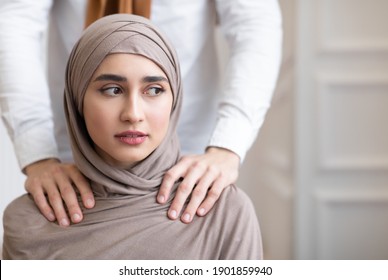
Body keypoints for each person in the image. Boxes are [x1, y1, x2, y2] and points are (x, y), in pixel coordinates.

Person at [2, 14, 262, 259]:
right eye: (113, 90)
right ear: (76, 100)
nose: (133, 114)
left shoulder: (225, 210)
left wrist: (228, 148)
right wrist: (37, 158)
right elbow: (14, 22)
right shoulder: (28, 222)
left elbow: (255, 25)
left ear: (175, 99)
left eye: (154, 90)